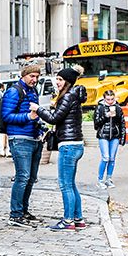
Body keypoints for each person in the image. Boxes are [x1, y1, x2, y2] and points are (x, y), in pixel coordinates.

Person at [37, 67, 88, 231]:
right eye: (56, 79)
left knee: (65, 185)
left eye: (60, 79)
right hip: (76, 144)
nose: (57, 82)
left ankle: (68, 221)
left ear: (67, 81)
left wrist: (37, 109)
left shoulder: (67, 96)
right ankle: (78, 218)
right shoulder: (73, 96)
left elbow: (54, 118)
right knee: (71, 184)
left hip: (69, 145)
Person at [2, 65, 44, 227]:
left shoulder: (33, 91)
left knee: (31, 178)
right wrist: (28, 116)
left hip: (34, 137)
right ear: (24, 75)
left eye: (37, 76)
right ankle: (15, 214)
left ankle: (24, 210)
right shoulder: (14, 91)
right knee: (23, 176)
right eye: (32, 76)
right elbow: (6, 116)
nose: (35, 79)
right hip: (19, 138)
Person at [93, 90, 125, 188]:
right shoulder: (100, 107)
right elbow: (96, 123)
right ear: (104, 98)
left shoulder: (118, 108)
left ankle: (108, 179)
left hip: (115, 135)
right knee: (105, 157)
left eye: (112, 99)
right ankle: (100, 179)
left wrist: (122, 138)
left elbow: (122, 123)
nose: (110, 101)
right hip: (103, 135)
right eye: (108, 99)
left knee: (112, 158)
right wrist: (106, 116)